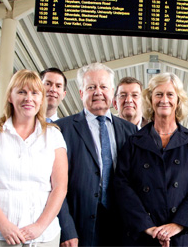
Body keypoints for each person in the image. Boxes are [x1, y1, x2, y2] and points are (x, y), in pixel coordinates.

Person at [113, 72, 188, 246]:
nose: (164, 100)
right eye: (158, 94)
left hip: (183, 236)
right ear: (150, 99)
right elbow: (122, 186)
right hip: (143, 236)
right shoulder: (133, 142)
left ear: (178, 100)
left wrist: (177, 224)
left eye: (170, 94)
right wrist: (149, 227)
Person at [0, 69, 68, 247]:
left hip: (43, 235)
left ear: (41, 99)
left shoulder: (54, 136)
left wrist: (39, 226)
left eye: (34, 93)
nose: (28, 98)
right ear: (10, 96)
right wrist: (4, 225)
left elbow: (60, 187)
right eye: (21, 92)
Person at [55, 63, 138, 247]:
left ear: (112, 92)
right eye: (91, 87)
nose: (98, 92)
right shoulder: (62, 129)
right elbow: (53, 185)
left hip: (121, 225)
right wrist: (66, 228)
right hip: (79, 226)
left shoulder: (130, 130)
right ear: (81, 93)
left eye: (103, 87)